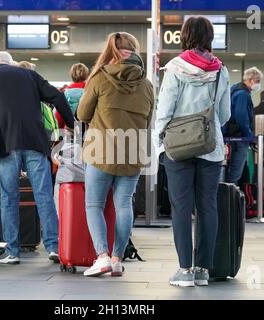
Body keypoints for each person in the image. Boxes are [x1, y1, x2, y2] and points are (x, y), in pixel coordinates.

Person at [0, 51, 75, 265]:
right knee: (44, 195)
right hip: (34, 142)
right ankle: (54, 247)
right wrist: (71, 123)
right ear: (11, 63)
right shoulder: (29, 75)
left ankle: (13, 251)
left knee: (9, 198)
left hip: (5, 145)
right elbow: (57, 96)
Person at [154, 17, 231, 287]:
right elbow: (224, 115)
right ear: (210, 36)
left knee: (181, 208)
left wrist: (159, 142)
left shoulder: (175, 68)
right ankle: (203, 270)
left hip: (178, 146)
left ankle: (184, 270)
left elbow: (165, 109)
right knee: (208, 207)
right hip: (210, 147)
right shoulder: (221, 69)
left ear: (184, 36)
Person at [77, 32, 154, 277]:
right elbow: (148, 120)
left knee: (94, 204)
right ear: (133, 52)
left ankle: (101, 257)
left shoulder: (100, 77)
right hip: (132, 152)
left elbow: (82, 114)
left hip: (101, 151)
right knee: (123, 205)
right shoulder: (147, 84)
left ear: (113, 52)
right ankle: (117, 258)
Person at [225, 67, 263, 184]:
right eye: (258, 81)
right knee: (235, 173)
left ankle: (229, 197)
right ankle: (231, 199)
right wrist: (249, 136)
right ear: (251, 80)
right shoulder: (243, 94)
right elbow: (242, 117)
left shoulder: (234, 90)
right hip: (239, 137)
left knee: (231, 171)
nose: (258, 84)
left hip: (231, 135)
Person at [55, 63, 89, 128]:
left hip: (69, 127)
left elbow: (59, 115)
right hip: (87, 128)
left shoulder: (65, 93)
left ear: (72, 75)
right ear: (86, 75)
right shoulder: (90, 91)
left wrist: (59, 129)